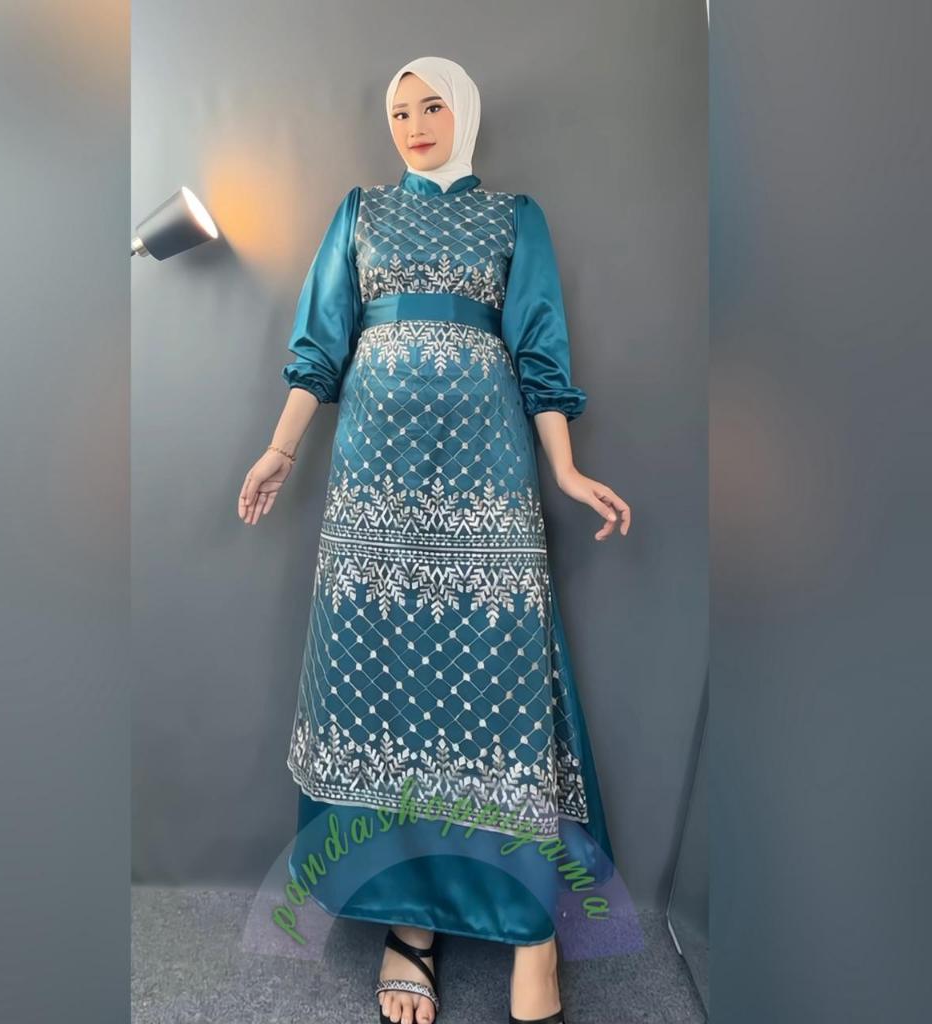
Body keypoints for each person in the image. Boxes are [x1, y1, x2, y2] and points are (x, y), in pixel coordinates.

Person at [239, 55, 631, 1024]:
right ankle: (408, 923)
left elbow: (537, 348)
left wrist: (565, 467)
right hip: (373, 477)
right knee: (383, 678)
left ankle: (531, 927)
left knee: (496, 676)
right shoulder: (360, 212)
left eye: (432, 106)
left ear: (466, 112)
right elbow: (322, 341)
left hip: (484, 467)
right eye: (398, 111)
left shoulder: (513, 217)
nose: (413, 124)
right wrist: (281, 448)